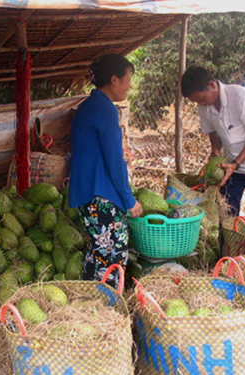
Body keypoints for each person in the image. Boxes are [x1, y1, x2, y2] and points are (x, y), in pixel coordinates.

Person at [69, 54, 143, 288]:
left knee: (97, 254)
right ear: (114, 80)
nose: (130, 84)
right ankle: (106, 310)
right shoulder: (105, 110)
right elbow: (115, 160)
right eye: (128, 78)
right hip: (102, 196)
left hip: (87, 194)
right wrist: (129, 200)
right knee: (114, 257)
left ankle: (89, 300)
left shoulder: (89, 106)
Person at [181, 66, 245, 216]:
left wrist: (236, 163)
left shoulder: (242, 98)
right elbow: (213, 131)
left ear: (211, 85)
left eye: (202, 99)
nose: (202, 104)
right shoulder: (204, 106)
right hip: (233, 166)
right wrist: (215, 151)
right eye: (197, 102)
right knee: (226, 212)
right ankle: (229, 239)